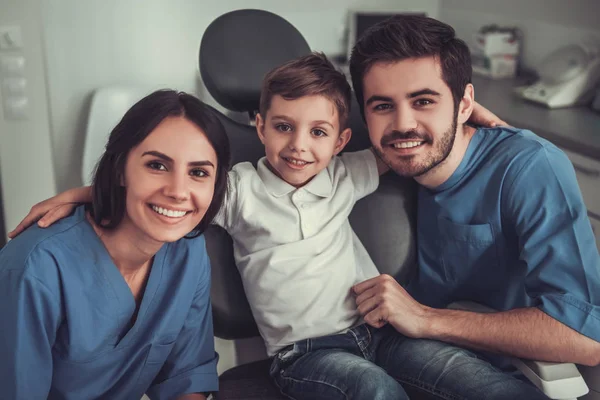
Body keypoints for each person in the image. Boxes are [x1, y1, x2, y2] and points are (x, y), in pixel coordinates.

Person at [8, 53, 504, 399]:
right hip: (304, 353)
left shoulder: (347, 174)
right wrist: (78, 193)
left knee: (477, 380)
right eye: (283, 126)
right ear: (260, 125)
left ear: (340, 140)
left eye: (318, 133)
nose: (299, 146)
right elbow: (174, 195)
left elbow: (406, 147)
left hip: (379, 331)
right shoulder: (238, 188)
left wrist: (461, 116)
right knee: (375, 392)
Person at [346, 14, 600, 399]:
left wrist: (426, 319)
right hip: (400, 355)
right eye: (382, 106)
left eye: (424, 101)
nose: (403, 124)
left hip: (509, 368)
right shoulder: (384, 158)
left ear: (465, 102)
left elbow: (584, 336)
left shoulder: (527, 167)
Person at [0, 89, 231, 400]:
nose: (178, 191)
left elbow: (186, 375)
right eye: (157, 166)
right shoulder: (36, 269)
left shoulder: (187, 253)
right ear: (121, 167)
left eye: (198, 172)